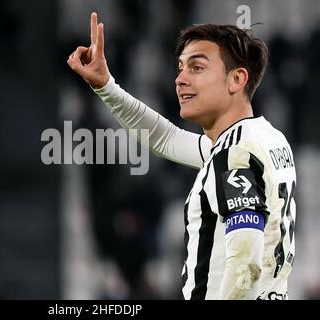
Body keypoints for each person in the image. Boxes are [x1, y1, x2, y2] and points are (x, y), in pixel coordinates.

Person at [67, 12, 296, 300]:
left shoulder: (235, 152)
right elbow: (166, 138)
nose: (180, 79)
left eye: (197, 68)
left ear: (236, 79)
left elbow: (246, 257)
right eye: (181, 68)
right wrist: (106, 87)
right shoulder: (267, 139)